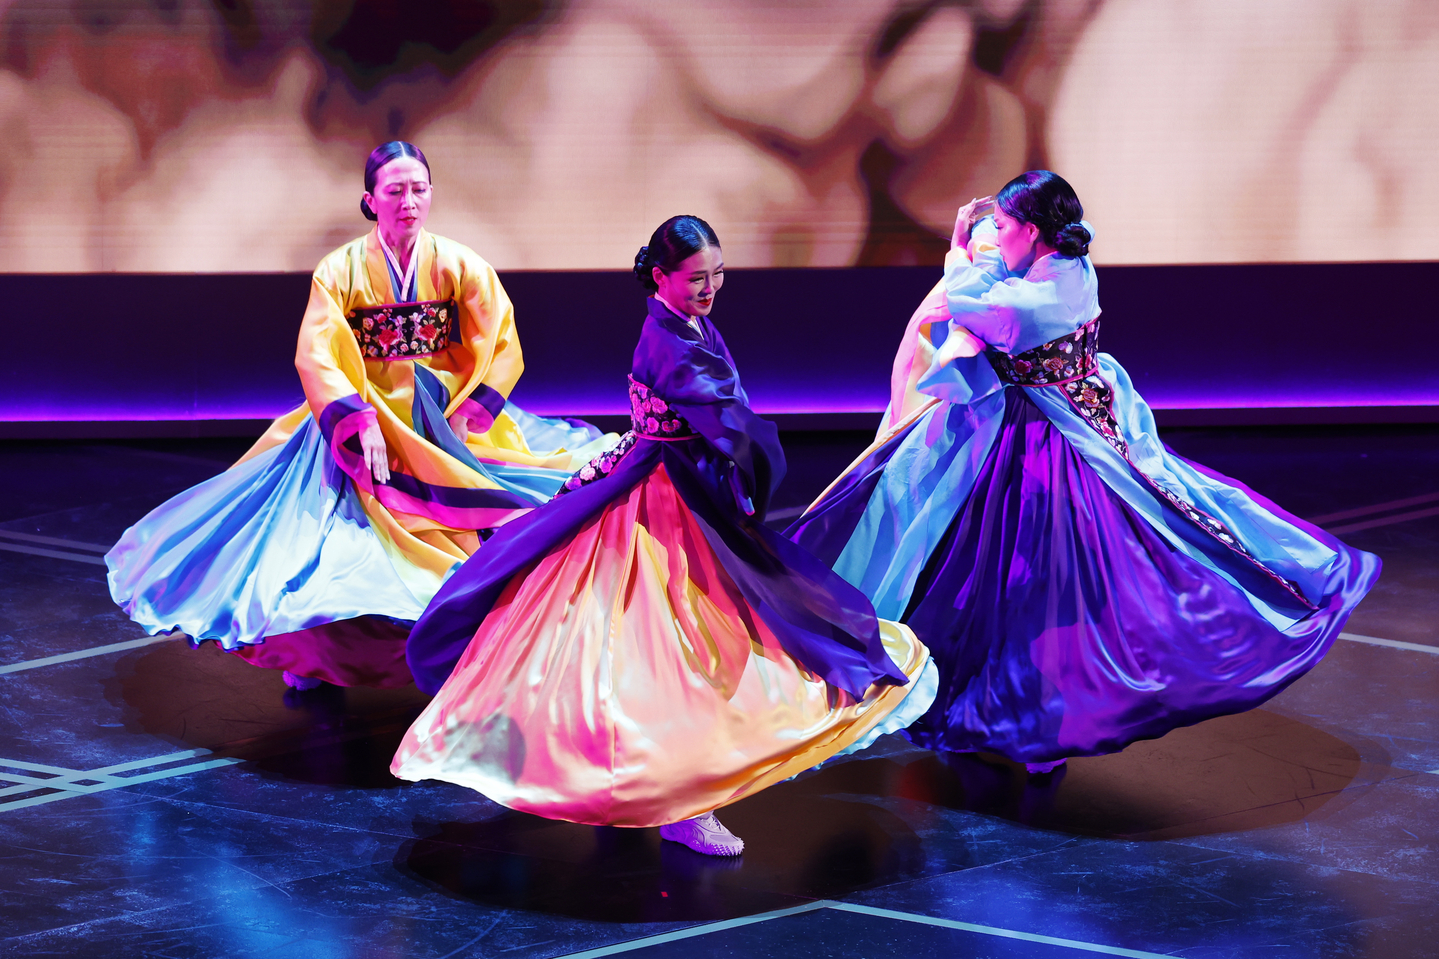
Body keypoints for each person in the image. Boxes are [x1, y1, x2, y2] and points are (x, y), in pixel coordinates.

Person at [787, 171, 1380, 774]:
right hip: (1080, 407)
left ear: (1032, 232)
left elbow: (964, 300)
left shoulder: (1027, 303)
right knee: (1029, 566)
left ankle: (1026, 710)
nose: (997, 233)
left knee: (1024, 572)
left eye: (1004, 225)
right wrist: (981, 242)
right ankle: (1018, 709)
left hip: (1037, 435)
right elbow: (995, 279)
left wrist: (960, 247)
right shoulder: (1071, 263)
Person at [392, 215, 937, 855]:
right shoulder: (671, 343)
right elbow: (734, 426)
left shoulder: (686, 323)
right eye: (697, 278)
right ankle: (678, 800)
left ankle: (665, 790)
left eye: (718, 274)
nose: (711, 288)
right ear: (660, 277)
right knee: (670, 643)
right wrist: (757, 470)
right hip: (661, 497)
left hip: (676, 481)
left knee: (681, 641)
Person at [107, 141, 613, 691]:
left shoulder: (460, 264)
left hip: (439, 417)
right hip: (362, 413)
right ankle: (313, 657)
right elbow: (318, 353)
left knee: (496, 519)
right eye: (395, 191)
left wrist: (472, 410)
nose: (408, 202)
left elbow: (501, 340)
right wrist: (356, 420)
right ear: (370, 200)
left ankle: (459, 646)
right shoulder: (340, 269)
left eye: (418, 189)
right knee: (327, 547)